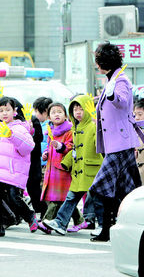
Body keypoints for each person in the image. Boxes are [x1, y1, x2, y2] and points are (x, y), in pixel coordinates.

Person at [89, 42, 144, 242]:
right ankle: (112, 229)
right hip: (117, 143)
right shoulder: (112, 78)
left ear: (105, 62)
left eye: (98, 62)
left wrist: (111, 95)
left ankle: (110, 228)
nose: (97, 65)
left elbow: (121, 101)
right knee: (122, 189)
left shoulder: (120, 80)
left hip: (120, 144)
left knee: (102, 186)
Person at [42, 95, 104, 235]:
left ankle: (102, 225)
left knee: (97, 200)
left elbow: (100, 145)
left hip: (91, 169)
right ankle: (60, 223)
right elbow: (75, 148)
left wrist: (98, 124)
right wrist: (66, 163)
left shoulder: (93, 126)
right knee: (71, 197)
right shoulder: (76, 128)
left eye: (81, 109)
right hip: (78, 171)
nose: (77, 112)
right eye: (75, 109)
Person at [0, 97, 38, 237]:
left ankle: (30, 216)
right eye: (1, 110)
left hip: (14, 171)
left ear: (14, 111)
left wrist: (11, 135)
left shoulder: (20, 128)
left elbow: (29, 147)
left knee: (14, 197)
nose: (4, 113)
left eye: (7, 110)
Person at [40, 103, 76, 224]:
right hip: (51, 170)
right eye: (53, 112)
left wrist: (60, 146)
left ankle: (46, 221)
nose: (57, 114)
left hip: (62, 170)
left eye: (60, 112)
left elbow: (70, 147)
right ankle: (79, 220)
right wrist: (46, 153)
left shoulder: (69, 131)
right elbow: (49, 148)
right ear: (49, 117)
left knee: (57, 198)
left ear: (65, 115)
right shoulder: (50, 131)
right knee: (62, 198)